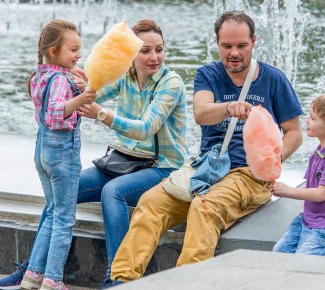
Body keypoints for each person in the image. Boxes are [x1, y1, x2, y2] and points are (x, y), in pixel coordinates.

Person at [106, 10, 304, 287]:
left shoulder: (273, 79)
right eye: (227, 46)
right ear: (217, 43)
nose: (234, 53)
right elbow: (201, 113)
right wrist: (228, 108)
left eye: (241, 46)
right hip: (206, 168)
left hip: (248, 175)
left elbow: (294, 132)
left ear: (254, 42)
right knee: (150, 203)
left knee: (204, 207)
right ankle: (122, 281)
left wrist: (271, 162)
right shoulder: (208, 74)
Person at [0, 19, 189, 290]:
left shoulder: (171, 83)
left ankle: (118, 277)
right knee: (60, 195)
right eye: (145, 50)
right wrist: (72, 79)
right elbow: (89, 93)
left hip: (163, 167)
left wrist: (102, 114)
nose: (154, 57)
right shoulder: (126, 77)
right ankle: (34, 269)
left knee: (114, 192)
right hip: (124, 161)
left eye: (159, 49)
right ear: (130, 54)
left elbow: (146, 129)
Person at [19, 19, 97, 290]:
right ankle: (53, 280)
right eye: (73, 50)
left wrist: (77, 81)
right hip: (63, 152)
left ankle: (33, 276)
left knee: (52, 212)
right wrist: (83, 98)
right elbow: (55, 113)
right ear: (54, 52)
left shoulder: (40, 75)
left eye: (79, 49)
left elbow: (50, 103)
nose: (78, 55)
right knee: (64, 218)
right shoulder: (61, 80)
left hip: (42, 151)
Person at [271, 94, 325, 255]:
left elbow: (320, 194)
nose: (306, 121)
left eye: (312, 118)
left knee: (303, 259)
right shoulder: (319, 152)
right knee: (279, 251)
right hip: (308, 219)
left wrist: (288, 191)